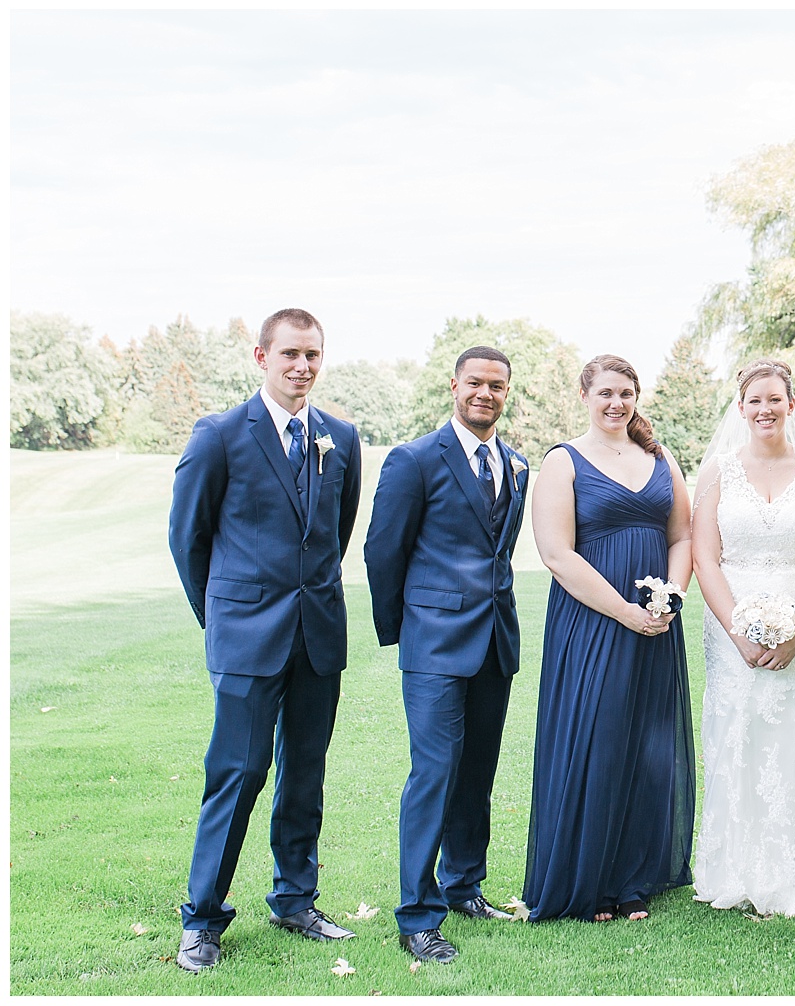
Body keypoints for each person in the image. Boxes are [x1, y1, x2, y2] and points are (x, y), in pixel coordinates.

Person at [167, 308, 362, 972]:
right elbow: (187, 539)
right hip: (247, 639)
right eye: (290, 354)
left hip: (318, 637)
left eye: (313, 353)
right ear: (260, 357)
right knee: (239, 772)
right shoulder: (220, 435)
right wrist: (224, 618)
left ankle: (294, 898)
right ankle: (202, 918)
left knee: (304, 774)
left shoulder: (341, 437)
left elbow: (337, 531)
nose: (303, 366)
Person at [364, 346, 530, 963]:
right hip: (433, 644)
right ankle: (417, 915)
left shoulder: (515, 465)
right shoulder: (413, 460)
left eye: (497, 385)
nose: (485, 394)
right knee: (434, 773)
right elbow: (383, 551)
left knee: (477, 774)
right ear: (454, 386)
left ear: (506, 393)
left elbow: (500, 552)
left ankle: (464, 885)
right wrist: (406, 631)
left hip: (495, 642)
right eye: (476, 383)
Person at [523, 354, 695, 923]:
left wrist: (670, 596)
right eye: (606, 393)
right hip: (593, 620)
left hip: (656, 623)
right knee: (596, 737)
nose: (617, 403)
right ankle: (587, 880)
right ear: (584, 395)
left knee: (648, 745)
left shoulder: (658, 456)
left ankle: (632, 878)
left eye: (627, 393)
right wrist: (623, 610)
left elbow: (683, 535)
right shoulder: (562, 462)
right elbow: (556, 554)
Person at [691, 359, 795, 917]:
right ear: (740, 408)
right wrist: (738, 629)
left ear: (791, 404)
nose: (764, 409)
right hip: (731, 621)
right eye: (754, 400)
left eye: (774, 399)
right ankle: (738, 870)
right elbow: (705, 557)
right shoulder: (717, 471)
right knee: (741, 735)